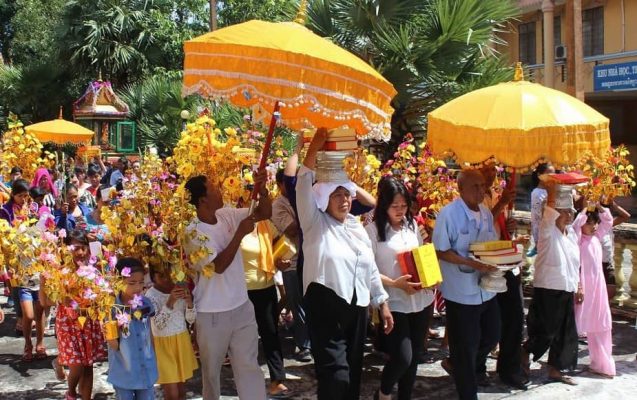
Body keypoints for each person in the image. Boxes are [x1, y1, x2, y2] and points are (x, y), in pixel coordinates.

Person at [297, 128, 392, 400]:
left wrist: (382, 302)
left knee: (352, 376)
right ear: (324, 198)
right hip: (325, 303)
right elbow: (303, 185)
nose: (345, 200)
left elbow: (369, 266)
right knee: (335, 376)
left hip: (357, 305)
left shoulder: (356, 226)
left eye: (347, 195)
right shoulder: (314, 223)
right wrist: (313, 148)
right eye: (337, 195)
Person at [183, 171, 271, 400]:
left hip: (241, 306)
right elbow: (217, 267)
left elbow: (264, 212)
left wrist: (262, 190)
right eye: (213, 187)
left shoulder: (227, 214)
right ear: (202, 200)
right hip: (211, 314)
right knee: (211, 375)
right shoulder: (192, 233)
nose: (219, 189)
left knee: (249, 367)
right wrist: (239, 235)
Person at [432, 169, 500, 400]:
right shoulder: (449, 214)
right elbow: (441, 251)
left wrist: (505, 255)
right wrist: (469, 262)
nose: (482, 191)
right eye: (475, 187)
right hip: (460, 290)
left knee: (492, 335)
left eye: (483, 186)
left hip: (485, 288)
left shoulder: (485, 213)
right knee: (465, 345)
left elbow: (490, 246)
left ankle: (461, 366)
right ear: (461, 189)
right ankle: (467, 391)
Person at [365, 177, 434, 400]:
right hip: (393, 301)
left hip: (420, 299)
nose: (400, 211)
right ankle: (383, 392)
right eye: (394, 206)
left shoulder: (412, 225)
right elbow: (368, 270)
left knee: (414, 357)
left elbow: (422, 254)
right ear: (383, 204)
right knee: (402, 356)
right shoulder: (372, 231)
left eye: (404, 206)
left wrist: (431, 276)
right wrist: (395, 284)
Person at [522, 180, 580, 385]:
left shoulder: (571, 234)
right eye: (565, 211)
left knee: (565, 331)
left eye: (571, 211)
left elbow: (575, 262)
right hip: (548, 287)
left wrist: (578, 286)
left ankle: (556, 368)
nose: (569, 214)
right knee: (545, 330)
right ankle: (524, 352)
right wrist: (552, 191)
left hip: (566, 287)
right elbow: (548, 212)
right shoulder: (547, 230)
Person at [478, 165, 528, 390]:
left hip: (507, 262)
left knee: (515, 317)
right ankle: (475, 366)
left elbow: (501, 226)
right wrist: (500, 205)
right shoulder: (473, 198)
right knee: (489, 324)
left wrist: (510, 224)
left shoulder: (499, 194)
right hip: (486, 264)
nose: (491, 175)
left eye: (493, 171)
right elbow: (481, 226)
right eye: (485, 170)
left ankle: (510, 369)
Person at [49, 230, 106, 400]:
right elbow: (47, 302)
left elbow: (101, 298)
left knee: (88, 366)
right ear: (67, 249)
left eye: (83, 248)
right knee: (78, 364)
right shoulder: (59, 273)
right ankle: (71, 393)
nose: (80, 253)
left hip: (88, 322)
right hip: (67, 323)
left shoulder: (94, 272)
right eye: (75, 248)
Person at [574, 201, 628, 378]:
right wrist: (584, 209)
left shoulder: (596, 238)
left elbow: (608, 220)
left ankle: (601, 362)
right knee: (575, 325)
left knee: (601, 325)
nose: (594, 226)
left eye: (595, 223)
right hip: (583, 289)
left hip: (598, 289)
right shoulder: (578, 240)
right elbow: (575, 225)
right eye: (590, 223)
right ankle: (560, 363)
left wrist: (597, 205)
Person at [241, 220, 290, 397]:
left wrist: (279, 260)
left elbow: (278, 245)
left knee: (270, 334)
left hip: (266, 287)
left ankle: (277, 381)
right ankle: (247, 380)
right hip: (242, 291)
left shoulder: (266, 224)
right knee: (245, 338)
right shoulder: (235, 224)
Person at [271, 167, 311, 362]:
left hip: (311, 259)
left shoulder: (304, 197)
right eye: (288, 183)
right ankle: (303, 345)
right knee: (298, 305)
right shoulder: (278, 205)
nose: (294, 187)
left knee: (311, 303)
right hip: (292, 262)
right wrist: (306, 209)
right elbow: (292, 229)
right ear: (279, 185)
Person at [107, 257, 158, 400]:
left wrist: (153, 358)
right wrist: (110, 326)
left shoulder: (146, 303)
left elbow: (149, 333)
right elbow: (114, 345)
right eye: (132, 283)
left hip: (146, 368)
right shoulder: (111, 309)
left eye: (141, 282)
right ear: (118, 282)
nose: (138, 287)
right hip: (124, 371)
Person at [145, 265, 198, 400]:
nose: (167, 279)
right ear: (153, 276)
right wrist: (170, 301)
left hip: (181, 341)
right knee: (172, 392)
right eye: (161, 275)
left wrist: (189, 303)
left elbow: (190, 319)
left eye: (170, 274)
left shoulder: (180, 288)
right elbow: (158, 325)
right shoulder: (150, 295)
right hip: (163, 346)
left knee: (181, 390)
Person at [528, 163, 556, 256]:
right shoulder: (537, 193)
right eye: (548, 174)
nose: (552, 177)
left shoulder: (551, 191)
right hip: (544, 234)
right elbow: (538, 218)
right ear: (539, 175)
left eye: (553, 174)